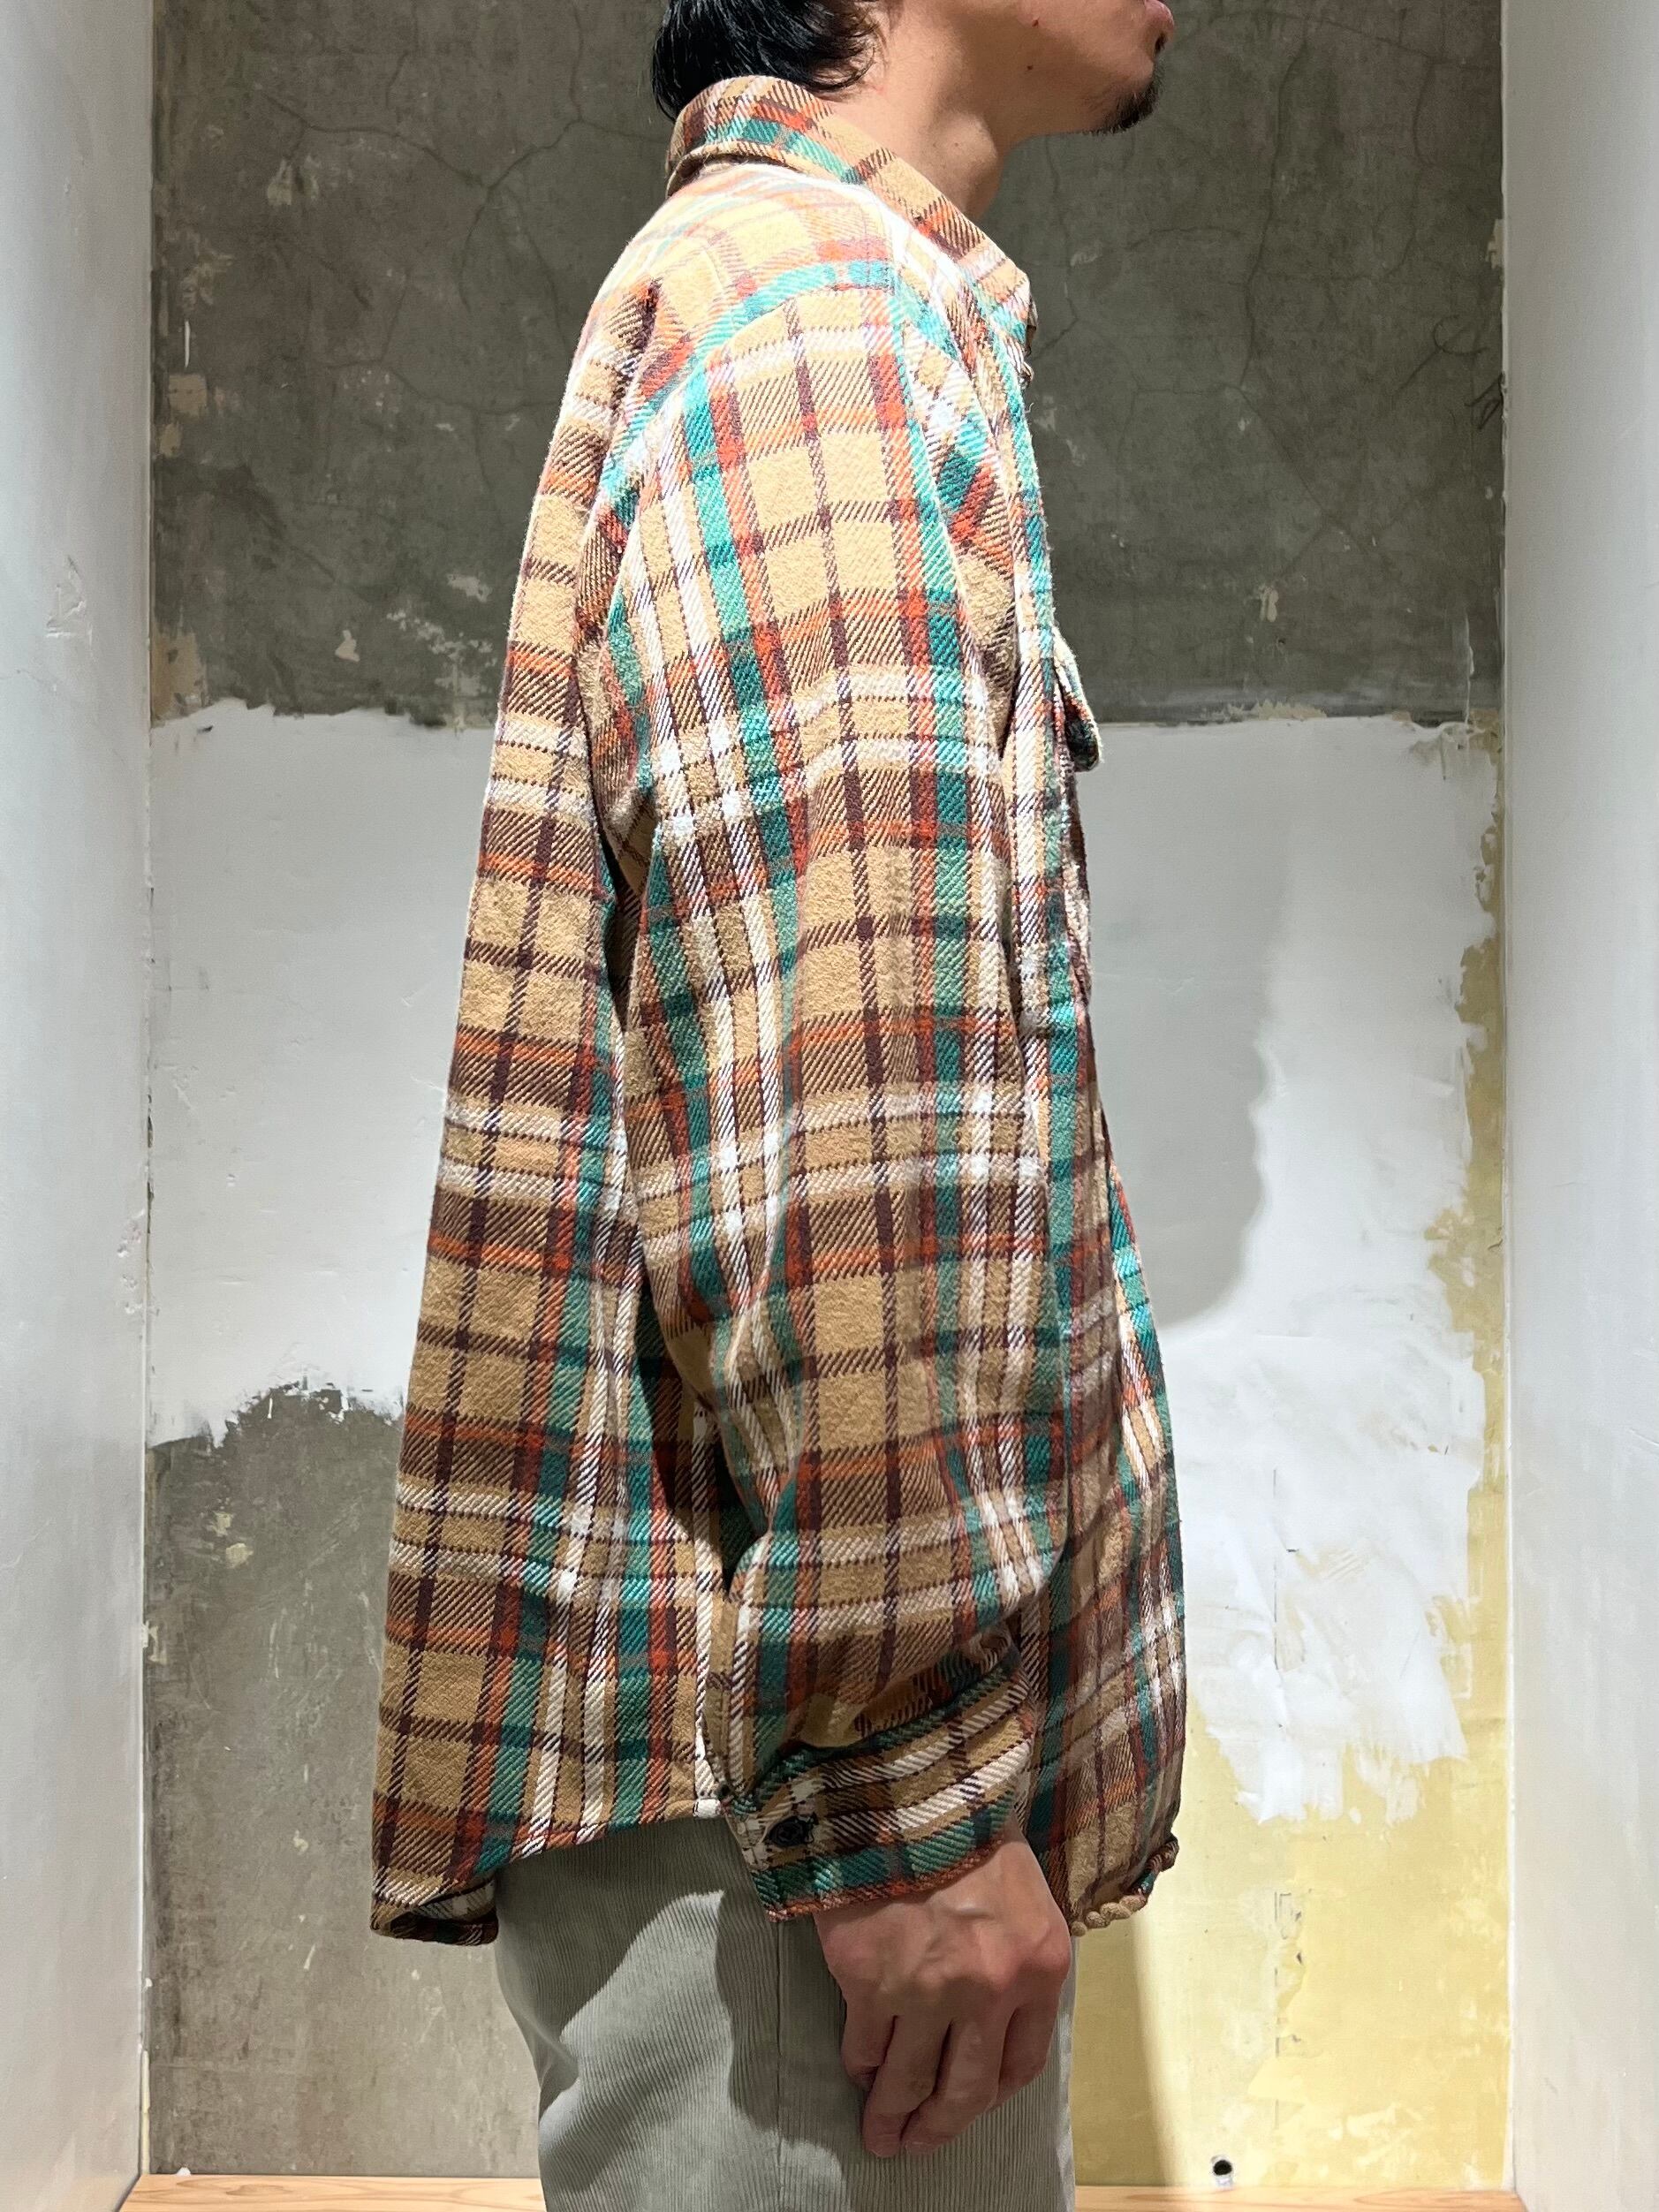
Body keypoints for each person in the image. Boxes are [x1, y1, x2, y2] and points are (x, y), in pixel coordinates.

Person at [369, 3, 1186, 2204]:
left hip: (772, 1791)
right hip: (804, 1828)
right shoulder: (820, 311)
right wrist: (907, 1792)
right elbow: (845, 1095)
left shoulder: (786, 292)